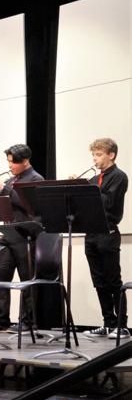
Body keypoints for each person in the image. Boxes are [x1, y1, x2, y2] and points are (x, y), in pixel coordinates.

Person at [0, 144, 44, 332]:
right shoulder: (11, 181)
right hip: (8, 234)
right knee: (0, 275)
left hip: (26, 236)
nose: (9, 165)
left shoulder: (36, 179)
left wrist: (3, 187)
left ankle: (27, 321)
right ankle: (1, 318)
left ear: (25, 161)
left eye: (12, 162)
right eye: (8, 161)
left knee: (26, 279)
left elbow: (29, 205)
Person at [82, 138, 128, 338]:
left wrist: (87, 189)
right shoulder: (93, 180)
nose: (95, 159)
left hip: (108, 234)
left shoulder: (119, 176)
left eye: (98, 154)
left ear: (111, 155)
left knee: (113, 282)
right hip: (91, 234)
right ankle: (108, 323)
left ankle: (121, 325)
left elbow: (108, 202)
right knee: (99, 282)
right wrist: (79, 188)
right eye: (93, 154)